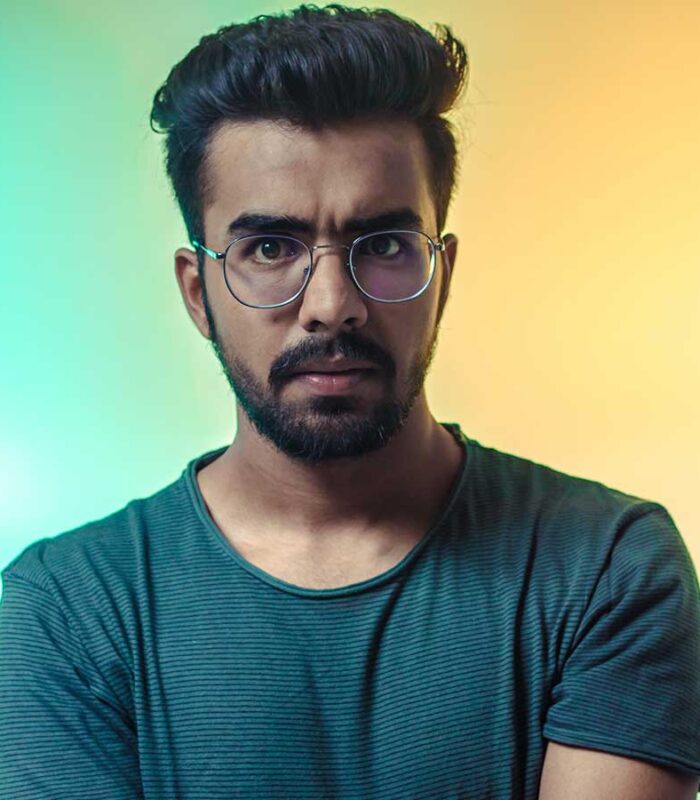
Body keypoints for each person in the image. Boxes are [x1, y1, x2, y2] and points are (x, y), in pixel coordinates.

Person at [1, 4, 698, 798]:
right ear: (198, 294)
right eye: (271, 247)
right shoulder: (68, 607)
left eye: (386, 245)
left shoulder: (606, 566)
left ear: (443, 275)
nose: (332, 304)